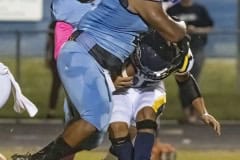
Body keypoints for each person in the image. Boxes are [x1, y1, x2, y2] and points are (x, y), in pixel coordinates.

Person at [11, 0, 189, 159]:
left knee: (91, 136)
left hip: (98, 63)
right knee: (92, 120)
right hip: (83, 55)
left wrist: (114, 76)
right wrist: (181, 27)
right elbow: (175, 33)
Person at [106, 30, 220, 160]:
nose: (154, 73)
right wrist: (111, 82)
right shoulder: (125, 49)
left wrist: (203, 112)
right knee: (118, 129)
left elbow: (186, 81)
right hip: (122, 89)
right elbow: (100, 74)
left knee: (147, 115)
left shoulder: (180, 56)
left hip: (151, 88)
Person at [167, 0, 214, 122]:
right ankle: (187, 113)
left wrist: (196, 30)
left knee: (194, 80)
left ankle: (196, 112)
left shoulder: (199, 9)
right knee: (182, 78)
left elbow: (209, 27)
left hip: (196, 48)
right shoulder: (173, 10)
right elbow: (164, 27)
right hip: (178, 49)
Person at [45, 21, 62, 118]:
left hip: (67, 58)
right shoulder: (53, 24)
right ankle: (52, 110)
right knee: (55, 84)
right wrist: (47, 57)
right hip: (55, 59)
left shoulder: (70, 21)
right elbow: (49, 42)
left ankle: (73, 111)